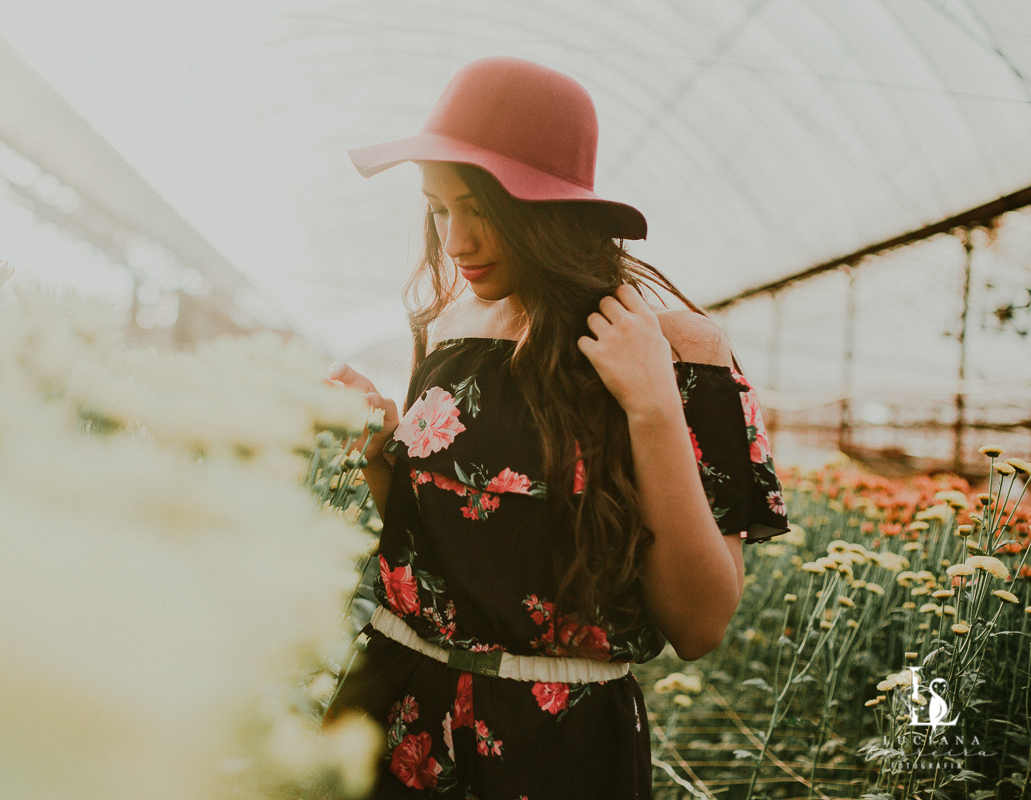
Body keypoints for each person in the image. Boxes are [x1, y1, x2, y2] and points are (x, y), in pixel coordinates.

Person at [325, 56, 788, 799]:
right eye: (440, 208)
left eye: (481, 208)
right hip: (397, 710)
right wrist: (381, 452)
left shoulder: (680, 350)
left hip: (552, 751)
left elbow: (700, 626)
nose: (456, 242)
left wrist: (653, 408)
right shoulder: (447, 327)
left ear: (550, 209)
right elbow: (454, 557)